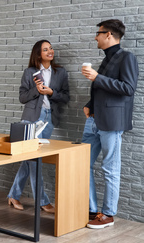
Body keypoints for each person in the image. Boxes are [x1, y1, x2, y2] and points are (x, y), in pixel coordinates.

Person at [82, 19, 138, 229]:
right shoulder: (105, 59)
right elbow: (103, 90)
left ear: (109, 35)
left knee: (110, 168)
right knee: (82, 164)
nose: (95, 37)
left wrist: (97, 77)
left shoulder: (126, 57)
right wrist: (89, 104)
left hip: (112, 123)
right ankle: (92, 209)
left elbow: (128, 88)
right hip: (94, 120)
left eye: (98, 33)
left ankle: (108, 215)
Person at [7, 40, 70, 214]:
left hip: (48, 119)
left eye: (51, 48)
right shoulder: (29, 72)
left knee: (30, 160)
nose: (50, 51)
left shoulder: (60, 72)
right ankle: (42, 201)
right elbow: (22, 97)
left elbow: (65, 96)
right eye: (45, 49)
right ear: (38, 54)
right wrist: (36, 90)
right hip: (31, 118)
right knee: (34, 160)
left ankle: (13, 195)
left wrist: (51, 93)